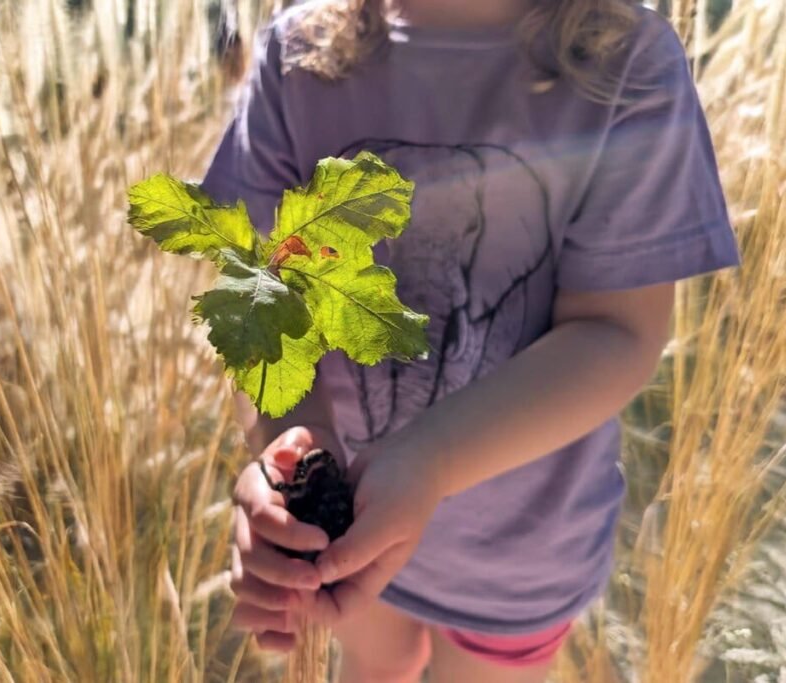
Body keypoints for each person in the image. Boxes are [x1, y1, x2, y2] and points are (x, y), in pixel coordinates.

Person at [198, 0, 740, 679]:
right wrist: (294, 459)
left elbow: (616, 329)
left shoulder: (623, 66)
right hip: (347, 526)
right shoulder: (296, 55)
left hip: (516, 561)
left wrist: (430, 457)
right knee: (371, 662)